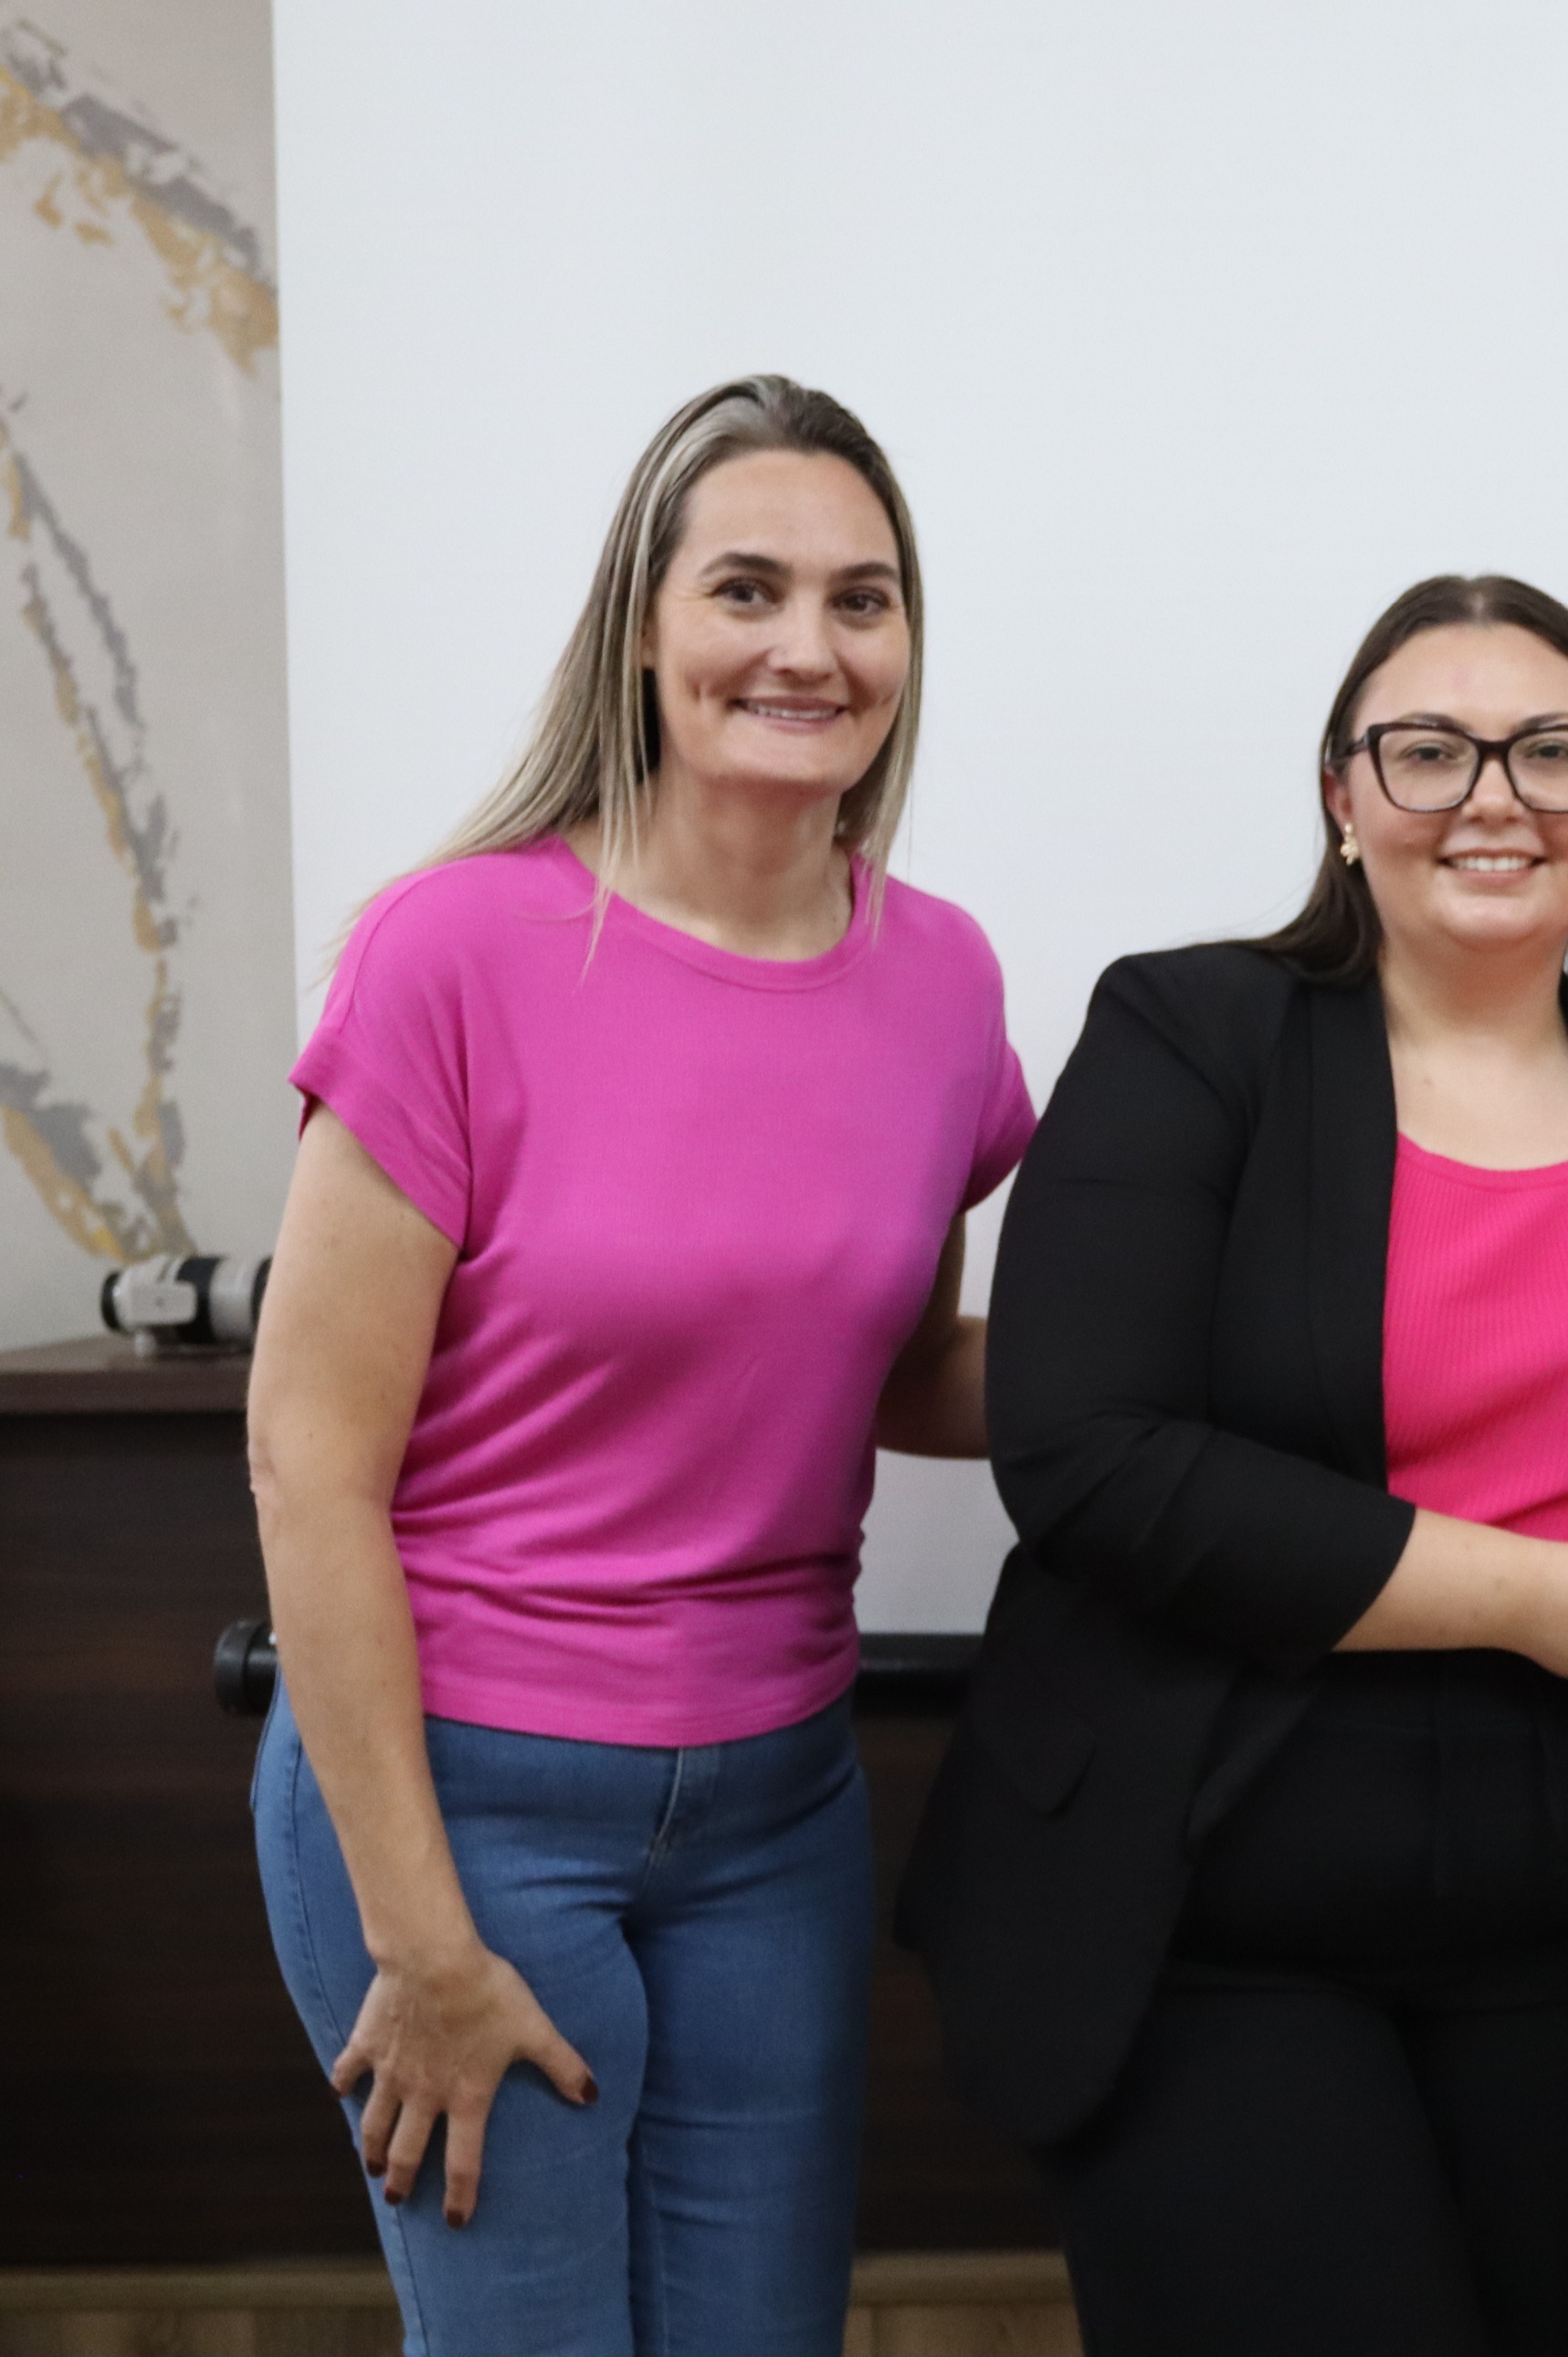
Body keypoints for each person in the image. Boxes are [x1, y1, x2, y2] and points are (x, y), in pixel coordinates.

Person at [247, 374, 1036, 2356]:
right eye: (746, 588)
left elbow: (891, 1367)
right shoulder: (454, 951)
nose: (806, 647)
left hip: (779, 1809)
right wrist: (421, 1937)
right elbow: (309, 1462)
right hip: (465, 1798)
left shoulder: (942, 975)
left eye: (861, 599)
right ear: (642, 626)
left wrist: (1218, 1384)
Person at [898, 575, 1568, 2356]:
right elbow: (1087, 1453)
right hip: (1211, 1910)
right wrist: (1527, 1595)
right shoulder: (1192, 1035)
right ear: (1342, 795)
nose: (1493, 797)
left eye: (1552, 752)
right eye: (1429, 750)